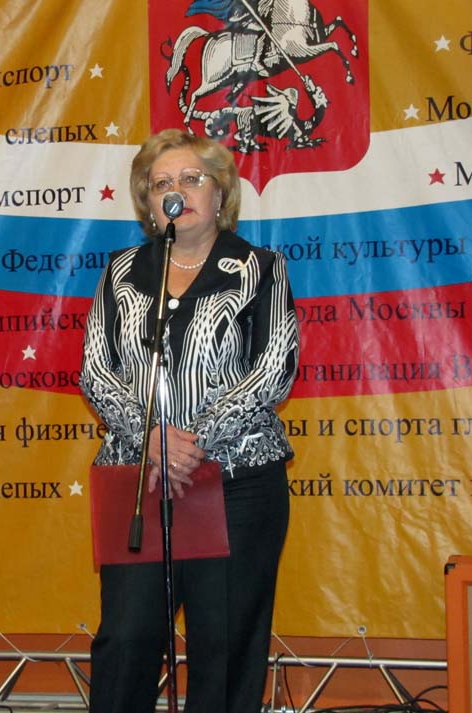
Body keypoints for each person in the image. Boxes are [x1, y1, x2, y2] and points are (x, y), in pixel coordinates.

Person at [80, 128, 299, 713]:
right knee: (125, 638)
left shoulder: (260, 268)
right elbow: (96, 370)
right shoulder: (123, 270)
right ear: (149, 204)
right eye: (160, 184)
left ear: (219, 191)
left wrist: (191, 443)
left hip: (234, 481)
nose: (175, 191)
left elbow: (274, 368)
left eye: (189, 178)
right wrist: (151, 439)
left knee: (224, 646)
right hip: (139, 478)